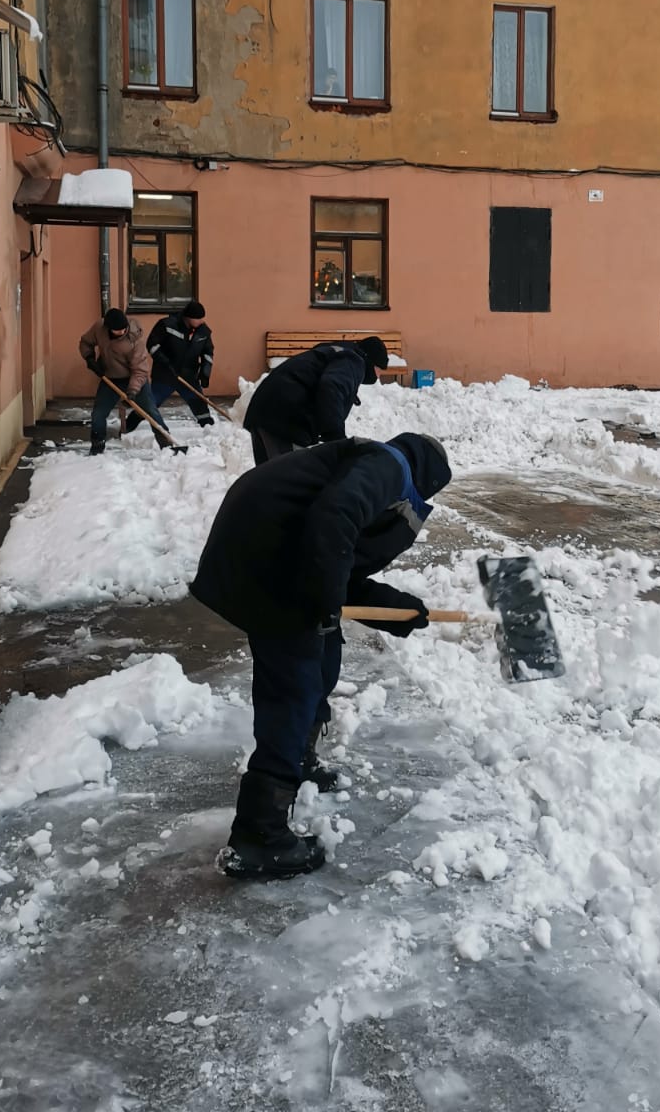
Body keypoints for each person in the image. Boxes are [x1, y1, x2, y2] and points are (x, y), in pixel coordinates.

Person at [189, 432, 452, 879]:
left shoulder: (363, 464)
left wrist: (400, 611)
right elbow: (336, 517)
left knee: (323, 654)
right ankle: (260, 835)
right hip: (268, 564)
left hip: (269, 554)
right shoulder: (390, 466)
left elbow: (338, 565)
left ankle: (299, 758)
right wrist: (323, 600)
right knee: (292, 686)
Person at [243, 336, 389, 464]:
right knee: (289, 484)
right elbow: (332, 388)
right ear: (371, 361)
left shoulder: (336, 353)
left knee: (267, 484)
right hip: (285, 419)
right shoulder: (354, 360)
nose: (378, 377)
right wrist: (337, 440)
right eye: (379, 370)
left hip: (263, 410)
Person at [78, 308, 173, 454]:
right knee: (98, 413)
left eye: (124, 329)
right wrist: (90, 358)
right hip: (110, 378)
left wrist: (133, 391)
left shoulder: (134, 340)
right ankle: (97, 446)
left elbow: (140, 370)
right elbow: (86, 342)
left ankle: (167, 444)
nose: (122, 332)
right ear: (108, 328)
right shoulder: (99, 328)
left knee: (151, 411)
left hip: (135, 379)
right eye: (118, 330)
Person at [125, 301, 215, 431]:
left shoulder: (203, 332)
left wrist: (205, 372)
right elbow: (152, 344)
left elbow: (208, 353)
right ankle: (127, 428)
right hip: (165, 375)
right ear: (188, 317)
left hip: (188, 376)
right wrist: (164, 362)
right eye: (198, 318)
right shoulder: (167, 325)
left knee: (199, 404)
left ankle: (210, 431)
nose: (201, 321)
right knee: (150, 404)